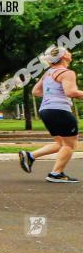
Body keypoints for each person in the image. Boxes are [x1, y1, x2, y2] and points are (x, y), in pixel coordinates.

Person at [19, 46, 83, 182]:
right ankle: (56, 174)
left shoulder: (48, 73)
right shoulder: (67, 73)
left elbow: (35, 91)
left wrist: (52, 96)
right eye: (67, 51)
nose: (69, 52)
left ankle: (30, 156)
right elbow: (71, 92)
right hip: (60, 111)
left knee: (61, 143)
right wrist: (59, 98)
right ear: (63, 57)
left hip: (46, 111)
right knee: (70, 145)